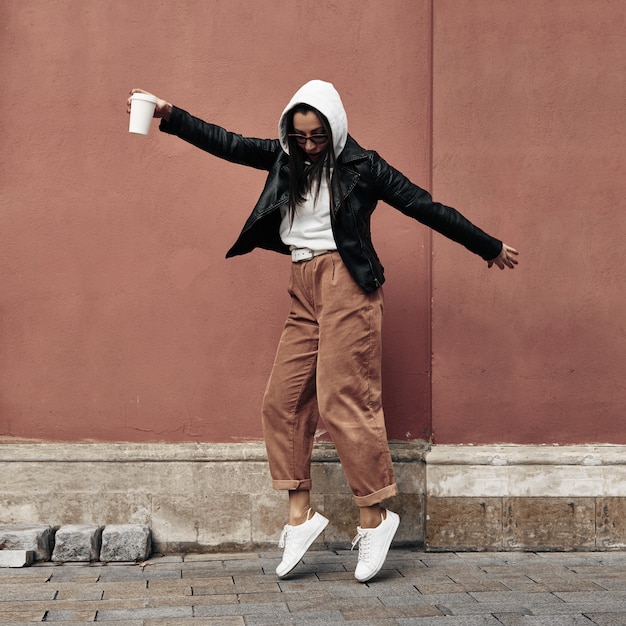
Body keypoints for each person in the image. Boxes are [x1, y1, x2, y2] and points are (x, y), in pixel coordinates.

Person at [127, 80, 518, 582]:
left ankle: (375, 518)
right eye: (300, 137)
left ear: (335, 127)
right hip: (302, 283)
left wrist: (487, 246)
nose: (309, 146)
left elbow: (425, 206)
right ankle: (300, 515)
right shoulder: (284, 158)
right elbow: (227, 143)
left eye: (317, 137)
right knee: (283, 401)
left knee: (341, 399)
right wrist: (168, 113)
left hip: (347, 285)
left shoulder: (364, 166)